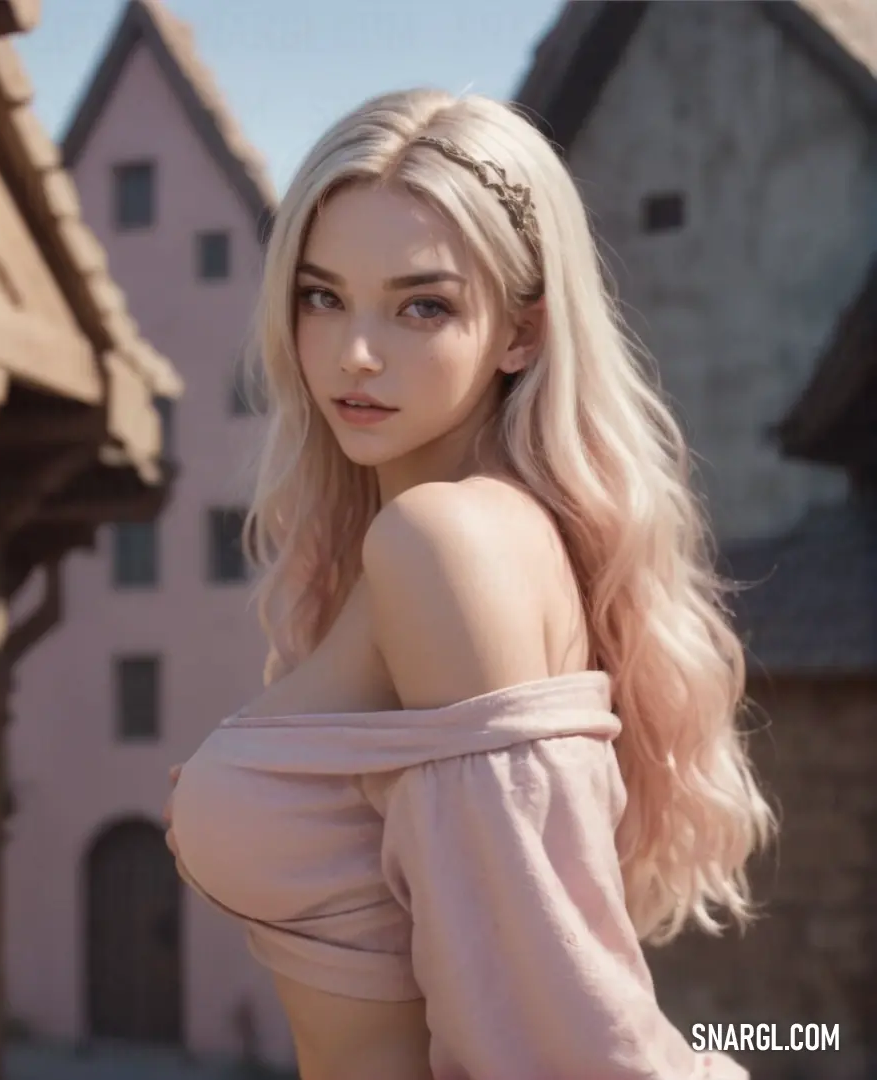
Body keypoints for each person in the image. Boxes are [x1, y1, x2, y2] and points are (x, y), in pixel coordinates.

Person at [163, 88, 773, 1080]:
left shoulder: (444, 543)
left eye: (423, 305)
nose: (355, 354)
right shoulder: (439, 539)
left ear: (523, 333)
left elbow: (552, 1033)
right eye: (323, 296)